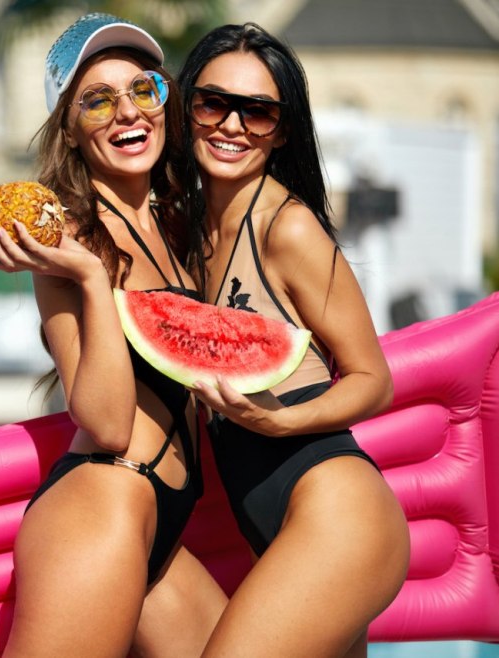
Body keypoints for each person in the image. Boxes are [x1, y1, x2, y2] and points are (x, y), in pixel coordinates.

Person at [0, 13, 227, 658]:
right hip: (105, 498)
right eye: (97, 100)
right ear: (69, 126)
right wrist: (93, 281)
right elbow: (106, 421)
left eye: (142, 89)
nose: (126, 112)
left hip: (164, 527)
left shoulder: (184, 228)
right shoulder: (66, 241)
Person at [176, 23, 410, 657]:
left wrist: (279, 421)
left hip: (340, 514)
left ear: (280, 130)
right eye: (213, 102)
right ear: (186, 107)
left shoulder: (288, 228)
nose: (231, 125)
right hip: (281, 535)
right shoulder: (188, 234)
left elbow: (372, 378)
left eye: (258, 112)